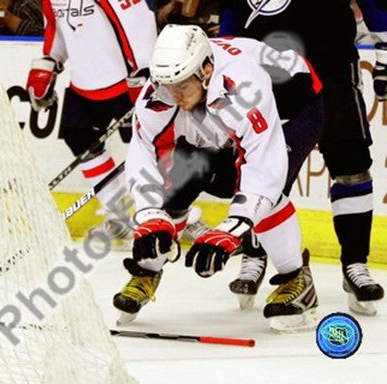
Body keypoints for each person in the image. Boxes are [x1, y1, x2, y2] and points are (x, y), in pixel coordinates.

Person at [113, 24, 325, 333]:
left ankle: (297, 279)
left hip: (292, 107)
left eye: (181, 85)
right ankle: (147, 270)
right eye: (167, 84)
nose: (173, 94)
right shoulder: (163, 90)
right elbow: (144, 152)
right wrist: (149, 216)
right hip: (216, 105)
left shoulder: (243, 82)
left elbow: (264, 169)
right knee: (180, 178)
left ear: (206, 70)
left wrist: (232, 229)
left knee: (268, 195)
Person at [220, 0, 386, 316]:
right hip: (268, 78)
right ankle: (254, 254)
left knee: (351, 166)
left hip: (332, 65)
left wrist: (385, 55)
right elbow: (231, 13)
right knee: (260, 169)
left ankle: (355, 264)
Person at [25, 0, 157, 243]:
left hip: (125, 79)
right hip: (84, 82)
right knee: (78, 136)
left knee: (152, 145)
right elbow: (56, 29)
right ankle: (117, 213)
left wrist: (144, 69)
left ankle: (176, 212)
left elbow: (138, 21)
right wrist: (51, 61)